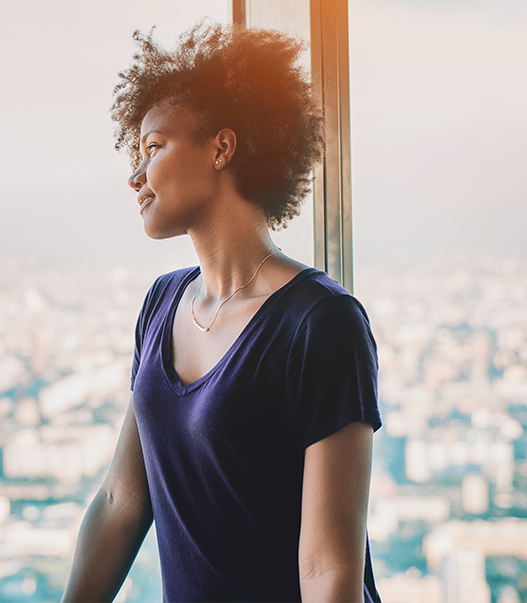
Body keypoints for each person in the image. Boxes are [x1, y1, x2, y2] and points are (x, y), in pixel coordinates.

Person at [62, 20, 381, 603]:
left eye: (153, 147)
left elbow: (329, 571)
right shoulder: (162, 303)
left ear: (222, 147)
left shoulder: (322, 323)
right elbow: (120, 502)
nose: (136, 175)